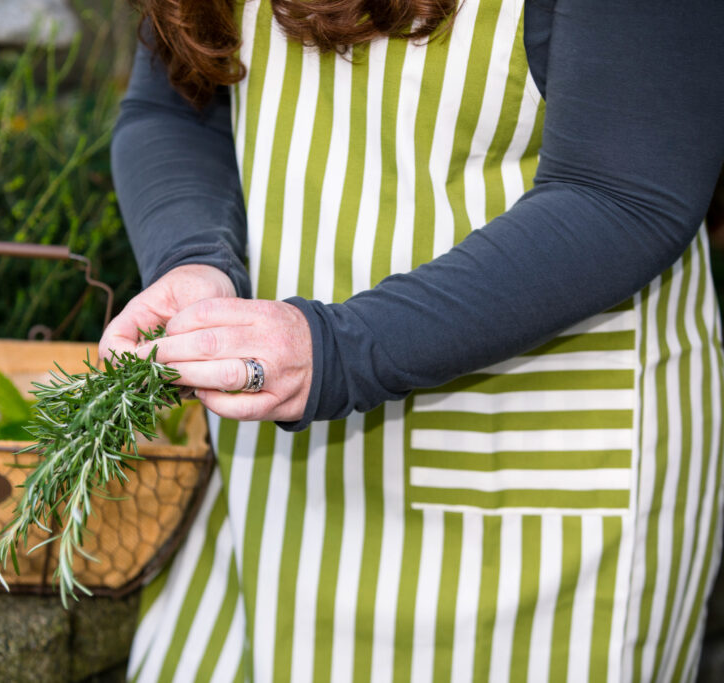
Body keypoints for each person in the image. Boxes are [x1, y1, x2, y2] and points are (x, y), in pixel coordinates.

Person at [98, 0, 724, 680]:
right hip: (268, 489)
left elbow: (625, 192)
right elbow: (177, 106)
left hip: (532, 507)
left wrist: (337, 351)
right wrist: (194, 257)